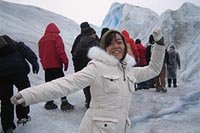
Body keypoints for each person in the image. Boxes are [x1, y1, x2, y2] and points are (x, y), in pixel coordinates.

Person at [11, 29, 166, 133]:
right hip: (97, 129)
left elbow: (154, 70)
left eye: (119, 42)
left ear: (125, 46)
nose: (116, 46)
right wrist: (29, 95)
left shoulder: (129, 70)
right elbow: (66, 84)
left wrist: (159, 45)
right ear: (104, 48)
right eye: (110, 43)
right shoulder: (96, 67)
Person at [0, 35, 39, 133]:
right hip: (19, 70)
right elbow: (26, 51)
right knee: (23, 93)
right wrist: (34, 62)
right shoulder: (13, 43)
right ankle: (22, 116)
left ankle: (8, 126)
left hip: (2, 75)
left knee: (5, 100)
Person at [38, 23, 74, 111]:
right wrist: (65, 62)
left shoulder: (41, 40)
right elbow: (60, 51)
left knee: (49, 84)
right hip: (56, 65)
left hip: (47, 67)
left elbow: (41, 55)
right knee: (61, 84)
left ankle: (49, 102)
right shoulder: (56, 37)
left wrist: (43, 64)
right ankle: (64, 102)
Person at [73, 27, 100, 108]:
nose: (95, 34)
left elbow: (75, 56)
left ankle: (88, 102)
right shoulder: (95, 43)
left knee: (86, 85)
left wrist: (77, 70)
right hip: (93, 68)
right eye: (94, 33)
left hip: (83, 69)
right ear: (91, 34)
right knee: (95, 85)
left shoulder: (79, 43)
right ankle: (95, 103)